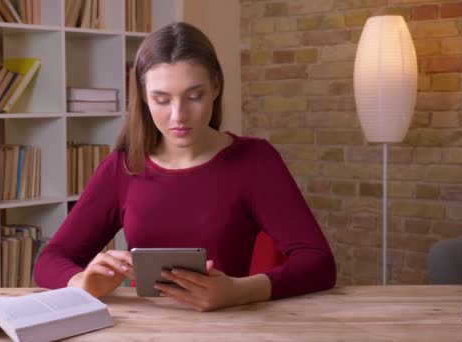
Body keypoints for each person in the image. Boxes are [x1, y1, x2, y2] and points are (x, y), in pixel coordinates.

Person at [33, 22, 336, 312]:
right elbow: (50, 261)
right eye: (161, 99)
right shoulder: (123, 168)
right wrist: (82, 283)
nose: (179, 115)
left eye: (194, 96)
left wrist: (237, 292)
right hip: (144, 330)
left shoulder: (255, 160)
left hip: (231, 327)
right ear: (142, 97)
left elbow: (318, 263)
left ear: (216, 87)